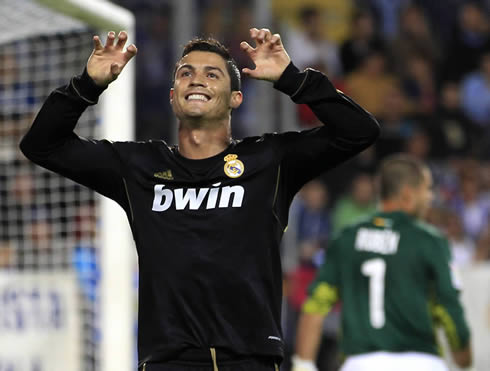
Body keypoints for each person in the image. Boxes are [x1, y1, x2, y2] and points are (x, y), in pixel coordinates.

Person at [19, 28, 379, 371]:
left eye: (212, 75)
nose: (196, 80)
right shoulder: (139, 166)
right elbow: (41, 145)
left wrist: (293, 79)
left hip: (250, 358)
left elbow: (359, 131)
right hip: (167, 361)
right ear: (173, 94)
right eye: (186, 73)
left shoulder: (270, 160)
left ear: (235, 98)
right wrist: (86, 85)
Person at [292, 154, 472, 371]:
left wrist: (303, 364)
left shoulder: (347, 238)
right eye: (427, 189)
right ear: (408, 194)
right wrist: (464, 357)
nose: (430, 197)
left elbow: (315, 307)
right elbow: (449, 306)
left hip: (360, 363)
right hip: (421, 362)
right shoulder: (430, 241)